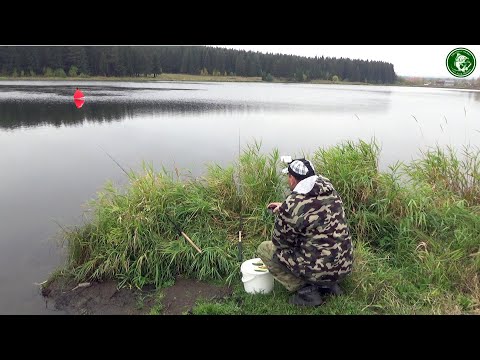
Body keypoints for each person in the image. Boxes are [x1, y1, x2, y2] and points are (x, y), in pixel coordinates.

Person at [257, 158, 353, 306]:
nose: (288, 180)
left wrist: (285, 212)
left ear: (293, 179)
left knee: (265, 248)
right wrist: (285, 208)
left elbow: (280, 243)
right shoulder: (330, 190)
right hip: (344, 264)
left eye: (288, 176)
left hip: (319, 269)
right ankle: (330, 286)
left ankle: (307, 290)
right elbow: (312, 209)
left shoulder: (293, 204)